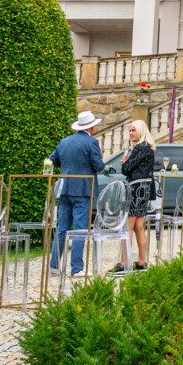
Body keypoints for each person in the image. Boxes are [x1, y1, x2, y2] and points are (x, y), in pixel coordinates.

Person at [47, 110, 105, 277]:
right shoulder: (91, 143)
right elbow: (98, 166)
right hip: (83, 190)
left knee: (62, 228)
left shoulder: (64, 141)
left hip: (64, 189)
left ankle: (54, 266)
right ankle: (76, 268)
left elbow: (53, 159)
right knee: (80, 229)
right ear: (91, 127)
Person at [120, 119, 156, 271]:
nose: (130, 133)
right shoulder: (148, 148)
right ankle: (142, 261)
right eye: (129, 130)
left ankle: (123, 263)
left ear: (141, 130)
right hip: (144, 189)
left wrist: (124, 162)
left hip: (135, 189)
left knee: (127, 227)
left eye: (133, 130)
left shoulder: (140, 148)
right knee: (139, 226)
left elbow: (126, 169)